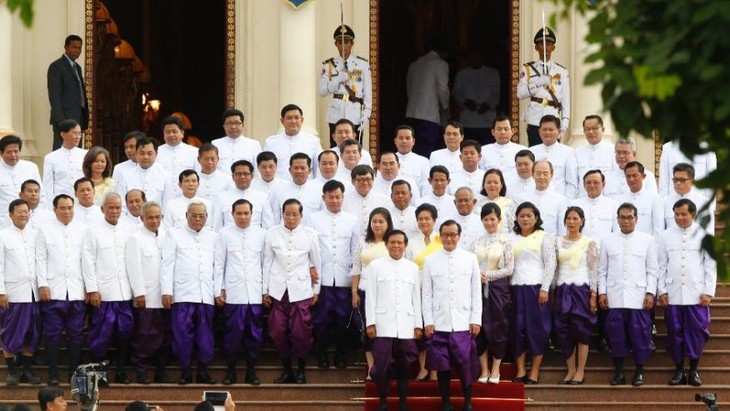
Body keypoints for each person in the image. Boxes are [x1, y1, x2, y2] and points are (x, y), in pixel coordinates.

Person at [422, 221, 481, 411]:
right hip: (440, 322)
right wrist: (428, 321)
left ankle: (468, 402)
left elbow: (476, 291)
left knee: (466, 364)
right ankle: (446, 402)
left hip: (463, 322)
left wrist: (475, 319)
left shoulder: (470, 258)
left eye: (453, 235)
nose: (449, 238)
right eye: (445, 235)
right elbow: (427, 294)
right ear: (440, 236)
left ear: (459, 236)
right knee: (442, 365)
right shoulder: (431, 260)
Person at [657, 199, 716, 387]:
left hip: (696, 294)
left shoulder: (704, 235)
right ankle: (679, 370)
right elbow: (661, 266)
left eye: (684, 214)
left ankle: (693, 371)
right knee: (675, 332)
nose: (680, 218)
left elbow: (710, 264)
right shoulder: (665, 236)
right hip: (673, 293)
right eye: (676, 214)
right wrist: (662, 290)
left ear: (693, 214)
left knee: (696, 333)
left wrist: (708, 291)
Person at [597, 202, 658, 386]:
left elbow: (652, 270)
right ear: (617, 219)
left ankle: (639, 371)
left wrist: (650, 292)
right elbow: (602, 270)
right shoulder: (607, 240)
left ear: (636, 219)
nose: (626, 221)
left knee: (640, 336)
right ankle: (619, 372)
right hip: (615, 296)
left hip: (638, 297)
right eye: (622, 217)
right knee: (616, 336)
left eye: (630, 217)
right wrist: (602, 292)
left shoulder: (648, 240)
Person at [263, 199, 321, 384]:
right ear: (282, 214)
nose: (290, 217)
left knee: (300, 332)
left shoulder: (310, 235)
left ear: (301, 215)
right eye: (287, 213)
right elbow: (266, 262)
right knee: (277, 331)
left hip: (301, 290)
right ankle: (287, 370)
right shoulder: (272, 234)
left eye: (295, 214)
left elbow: (317, 263)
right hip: (278, 291)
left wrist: (316, 291)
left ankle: (301, 370)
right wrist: (265, 290)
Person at [160, 200, 218, 385]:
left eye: (201, 216)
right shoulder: (174, 234)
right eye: (194, 215)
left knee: (205, 336)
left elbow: (218, 267)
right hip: (182, 294)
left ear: (207, 217)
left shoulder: (214, 236)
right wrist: (167, 291)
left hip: (205, 295)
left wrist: (218, 292)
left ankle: (203, 370)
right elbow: (167, 264)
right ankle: (185, 371)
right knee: (182, 335)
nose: (197, 219)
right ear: (186, 216)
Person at [81, 192, 135, 384]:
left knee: (124, 334)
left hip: (124, 293)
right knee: (100, 336)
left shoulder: (129, 230)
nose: (114, 211)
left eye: (118, 208)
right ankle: (98, 374)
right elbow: (87, 262)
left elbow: (133, 262)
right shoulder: (92, 231)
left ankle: (120, 371)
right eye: (110, 207)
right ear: (103, 209)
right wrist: (92, 289)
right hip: (103, 294)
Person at [365, 230, 422, 411]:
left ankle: (403, 402)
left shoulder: (412, 268)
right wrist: (371, 323)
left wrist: (418, 325)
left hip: (406, 326)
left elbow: (416, 299)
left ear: (405, 245)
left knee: (405, 367)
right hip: (383, 325)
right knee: (382, 366)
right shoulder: (375, 266)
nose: (396, 246)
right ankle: (383, 401)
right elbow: (371, 297)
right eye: (392, 242)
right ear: (386, 244)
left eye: (400, 243)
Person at [36, 194, 86, 385]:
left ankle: (74, 373)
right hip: (53, 291)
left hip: (76, 290)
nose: (67, 211)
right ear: (55, 209)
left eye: (70, 207)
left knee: (76, 334)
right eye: (62, 208)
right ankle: (53, 373)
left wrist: (89, 288)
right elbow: (40, 258)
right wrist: (42, 284)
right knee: (52, 333)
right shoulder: (45, 230)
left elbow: (87, 260)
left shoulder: (83, 230)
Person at [214, 199, 266, 385]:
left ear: (252, 214)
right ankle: (231, 371)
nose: (243, 217)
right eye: (239, 213)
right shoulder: (224, 234)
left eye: (246, 213)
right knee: (232, 335)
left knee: (254, 335)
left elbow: (265, 264)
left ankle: (251, 371)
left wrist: (265, 290)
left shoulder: (261, 234)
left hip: (254, 294)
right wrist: (218, 290)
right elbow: (219, 264)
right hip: (233, 294)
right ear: (232, 214)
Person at [309, 181, 360, 369]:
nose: (335, 200)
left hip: (344, 279)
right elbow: (309, 248)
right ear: (324, 198)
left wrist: (354, 281)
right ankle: (321, 354)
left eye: (338, 196)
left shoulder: (352, 220)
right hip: (322, 280)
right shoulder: (313, 219)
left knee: (342, 320)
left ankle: (341, 354)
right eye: (330, 197)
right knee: (321, 320)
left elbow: (356, 252)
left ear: (343, 197)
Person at [510, 202, 557, 384]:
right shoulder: (511, 238)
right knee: (516, 329)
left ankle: (535, 371)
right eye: (521, 216)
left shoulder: (544, 237)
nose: (525, 219)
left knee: (537, 330)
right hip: (515, 288)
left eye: (529, 215)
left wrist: (545, 288)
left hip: (536, 289)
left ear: (536, 217)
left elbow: (550, 264)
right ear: (516, 218)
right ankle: (520, 370)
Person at [125, 200, 171, 384]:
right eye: (150, 217)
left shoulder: (167, 236)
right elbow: (133, 268)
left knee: (164, 335)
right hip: (146, 297)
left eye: (157, 217)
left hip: (165, 297)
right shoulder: (135, 238)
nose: (154, 221)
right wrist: (139, 293)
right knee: (144, 336)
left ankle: (161, 369)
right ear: (142, 218)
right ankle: (141, 369)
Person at [469, 203, 514, 384]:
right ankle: (484, 369)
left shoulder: (505, 241)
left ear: (499, 220)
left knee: (498, 328)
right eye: (486, 219)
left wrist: (488, 275)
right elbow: (470, 264)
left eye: (492, 219)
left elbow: (509, 268)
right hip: (477, 288)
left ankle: (496, 368)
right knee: (478, 328)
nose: (489, 222)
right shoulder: (476, 241)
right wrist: (477, 276)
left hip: (498, 289)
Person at [554, 207, 598, 385]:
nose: (571, 222)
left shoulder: (589, 242)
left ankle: (580, 371)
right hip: (562, 289)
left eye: (575, 218)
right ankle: (570, 369)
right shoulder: (557, 242)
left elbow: (593, 270)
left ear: (582, 221)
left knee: (582, 330)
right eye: (569, 219)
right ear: (564, 221)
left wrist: (593, 294)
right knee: (563, 331)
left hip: (582, 290)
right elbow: (554, 268)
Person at [0, 199, 41, 385]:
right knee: (10, 332)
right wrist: (1, 291)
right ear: (10, 214)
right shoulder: (3, 235)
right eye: (19, 212)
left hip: (33, 293)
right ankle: (12, 370)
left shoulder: (36, 235)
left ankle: (27, 370)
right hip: (13, 293)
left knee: (32, 333)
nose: (24, 214)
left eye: (26, 211)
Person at [351, 207, 394, 380]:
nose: (377, 225)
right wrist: (354, 292)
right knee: (367, 330)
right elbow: (356, 268)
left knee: (385, 331)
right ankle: (371, 367)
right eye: (374, 221)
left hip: (386, 294)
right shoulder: (363, 241)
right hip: (365, 291)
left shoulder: (393, 241)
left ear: (388, 223)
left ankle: (386, 365)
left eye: (381, 222)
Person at [517, 27, 570, 147]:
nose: (545, 47)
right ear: (536, 47)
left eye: (549, 44)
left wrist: (565, 120)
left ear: (553, 47)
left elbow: (565, 98)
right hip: (535, 118)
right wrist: (537, 83)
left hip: (554, 117)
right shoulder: (528, 69)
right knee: (535, 153)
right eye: (541, 43)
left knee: (553, 154)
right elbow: (520, 94)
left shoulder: (561, 71)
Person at [407, 203, 442, 382]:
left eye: (427, 218)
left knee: (435, 332)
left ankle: (435, 370)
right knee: (420, 331)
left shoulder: (441, 240)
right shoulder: (411, 242)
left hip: (438, 291)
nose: (423, 222)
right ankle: (422, 368)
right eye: (420, 219)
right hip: (417, 289)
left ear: (434, 220)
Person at [320, 25, 372, 145]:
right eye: (340, 42)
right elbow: (322, 91)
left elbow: (367, 92)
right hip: (336, 112)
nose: (343, 46)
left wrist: (367, 113)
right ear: (335, 44)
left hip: (355, 112)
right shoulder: (329, 65)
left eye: (347, 42)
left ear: (352, 43)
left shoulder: (362, 64)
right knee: (336, 148)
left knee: (354, 149)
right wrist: (337, 79)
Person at [405, 39, 450, 157]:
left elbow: (409, 88)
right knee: (428, 151)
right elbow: (443, 89)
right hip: (429, 115)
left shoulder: (414, 64)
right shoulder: (440, 64)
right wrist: (446, 108)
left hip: (411, 113)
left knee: (413, 150)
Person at [47, 35, 87, 150]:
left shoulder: (77, 68)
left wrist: (84, 119)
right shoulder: (56, 67)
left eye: (79, 48)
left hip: (77, 118)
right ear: (65, 47)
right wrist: (61, 121)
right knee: (60, 151)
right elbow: (54, 95)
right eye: (74, 47)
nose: (77, 50)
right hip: (64, 119)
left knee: (76, 152)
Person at [453, 49, 501, 144]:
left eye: (478, 57)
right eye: (473, 58)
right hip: (468, 119)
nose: (475, 60)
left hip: (487, 119)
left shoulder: (492, 73)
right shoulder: (462, 73)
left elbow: (496, 93)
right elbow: (456, 92)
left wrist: (488, 105)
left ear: (483, 58)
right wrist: (465, 102)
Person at [263, 104, 323, 180]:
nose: (293, 121)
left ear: (302, 120)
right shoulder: (271, 142)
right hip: (278, 189)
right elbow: (264, 166)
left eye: (296, 118)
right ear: (282, 121)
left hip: (305, 188)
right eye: (289, 118)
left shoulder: (313, 141)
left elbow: (319, 168)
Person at [116, 136, 175, 210]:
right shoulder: (125, 175)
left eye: (149, 153)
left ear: (156, 154)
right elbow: (122, 204)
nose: (145, 157)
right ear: (136, 154)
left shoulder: (165, 175)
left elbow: (167, 204)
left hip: (157, 219)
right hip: (132, 220)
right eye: (142, 153)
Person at [216, 160, 274, 230]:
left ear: (252, 176)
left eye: (246, 174)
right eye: (239, 174)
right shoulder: (222, 197)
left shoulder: (262, 197)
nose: (242, 177)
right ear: (233, 177)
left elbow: (268, 226)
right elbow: (217, 226)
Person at [529, 115, 579, 198]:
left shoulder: (569, 152)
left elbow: (572, 182)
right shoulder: (531, 151)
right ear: (539, 132)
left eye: (551, 130)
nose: (547, 132)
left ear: (559, 132)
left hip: (559, 199)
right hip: (535, 199)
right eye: (544, 129)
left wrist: (568, 203)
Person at [515, 160, 567, 236]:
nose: (542, 177)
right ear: (532, 174)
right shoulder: (521, 198)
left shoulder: (560, 200)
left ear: (551, 175)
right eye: (538, 173)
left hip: (551, 244)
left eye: (545, 174)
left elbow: (563, 229)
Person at [568, 170, 618, 249]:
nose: (592, 185)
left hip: (603, 250)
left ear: (603, 184)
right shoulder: (574, 204)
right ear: (584, 185)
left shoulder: (613, 205)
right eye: (588, 182)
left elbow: (616, 232)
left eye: (596, 182)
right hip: (579, 250)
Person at [0, 135, 44, 226]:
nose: (13, 155)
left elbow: (41, 195)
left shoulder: (31, 167)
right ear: (1, 153)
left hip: (30, 220)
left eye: (16, 151)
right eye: (9, 152)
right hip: (4, 222)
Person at [269, 153, 323, 224]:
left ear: (309, 170)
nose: (299, 171)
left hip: (311, 233)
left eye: (303, 168)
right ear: (290, 170)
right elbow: (275, 217)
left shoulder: (319, 190)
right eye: (296, 168)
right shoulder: (279, 190)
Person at [663, 163, 714, 234]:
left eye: (682, 180)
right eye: (675, 179)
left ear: (692, 181)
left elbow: (709, 230)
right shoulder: (664, 202)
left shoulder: (704, 202)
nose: (678, 183)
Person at [617, 161, 664, 236]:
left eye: (634, 176)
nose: (631, 179)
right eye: (628, 176)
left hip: (647, 245)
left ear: (643, 176)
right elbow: (617, 228)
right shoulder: (619, 200)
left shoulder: (654, 198)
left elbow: (658, 228)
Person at [43, 119, 87, 199]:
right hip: (60, 203)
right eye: (74, 133)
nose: (78, 137)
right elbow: (47, 187)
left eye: (79, 134)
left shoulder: (86, 155)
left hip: (81, 202)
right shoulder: (50, 158)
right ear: (63, 134)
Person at [343, 165, 391, 234]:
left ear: (373, 180)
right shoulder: (344, 200)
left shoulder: (384, 200)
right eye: (360, 180)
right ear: (353, 181)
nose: (365, 182)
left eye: (368, 179)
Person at [212, 109, 262, 173]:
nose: (233, 127)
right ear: (224, 126)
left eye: (237, 123)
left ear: (243, 125)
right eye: (229, 123)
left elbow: (258, 170)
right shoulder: (215, 144)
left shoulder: (254, 145)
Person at [575, 115, 615, 196]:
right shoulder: (576, 153)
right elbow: (573, 182)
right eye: (587, 129)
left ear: (603, 130)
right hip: (582, 199)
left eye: (595, 128)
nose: (591, 132)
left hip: (607, 199)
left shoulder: (613, 151)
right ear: (584, 131)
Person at [480, 116, 526, 180]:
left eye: (506, 129)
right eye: (499, 129)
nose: (503, 132)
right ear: (493, 132)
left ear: (512, 131)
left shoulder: (523, 150)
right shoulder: (483, 151)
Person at [156, 116, 199, 183]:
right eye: (167, 132)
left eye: (174, 131)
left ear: (182, 133)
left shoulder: (194, 152)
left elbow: (199, 176)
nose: (171, 135)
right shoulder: (156, 152)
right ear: (163, 134)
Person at [476, 169, 516, 235]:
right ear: (484, 185)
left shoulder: (509, 203)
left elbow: (513, 228)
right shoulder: (477, 204)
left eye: (496, 182)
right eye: (489, 182)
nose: (492, 185)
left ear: (501, 185)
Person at [393, 125, 430, 196]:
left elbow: (426, 188)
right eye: (401, 138)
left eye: (407, 138)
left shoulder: (423, 162)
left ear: (413, 141)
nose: (404, 141)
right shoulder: (388, 160)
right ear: (395, 141)